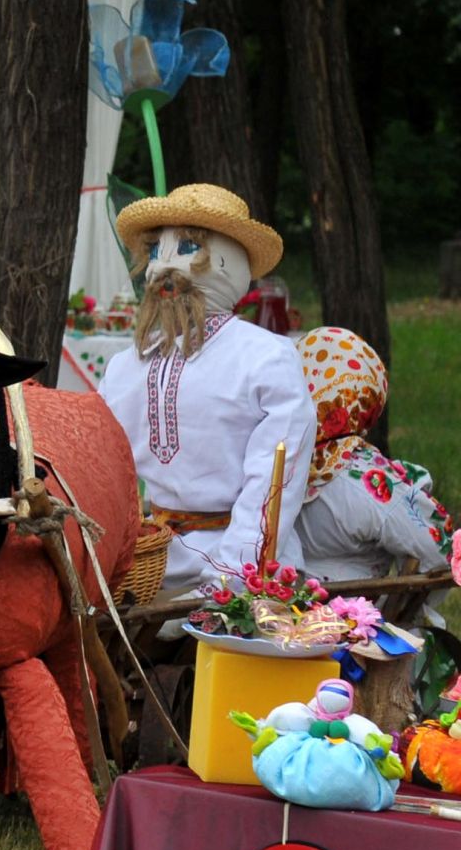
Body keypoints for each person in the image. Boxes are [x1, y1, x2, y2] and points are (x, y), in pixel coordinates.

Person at [98, 183, 314, 594]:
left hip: (240, 561)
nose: (162, 268)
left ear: (226, 262)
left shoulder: (266, 358)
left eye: (185, 249)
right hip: (150, 558)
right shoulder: (124, 367)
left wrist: (233, 578)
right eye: (156, 252)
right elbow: (99, 467)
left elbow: (275, 482)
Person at [293, 326, 453, 581]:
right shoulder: (366, 479)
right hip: (354, 614)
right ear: (366, 399)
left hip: (273, 608)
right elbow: (439, 553)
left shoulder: (272, 461)